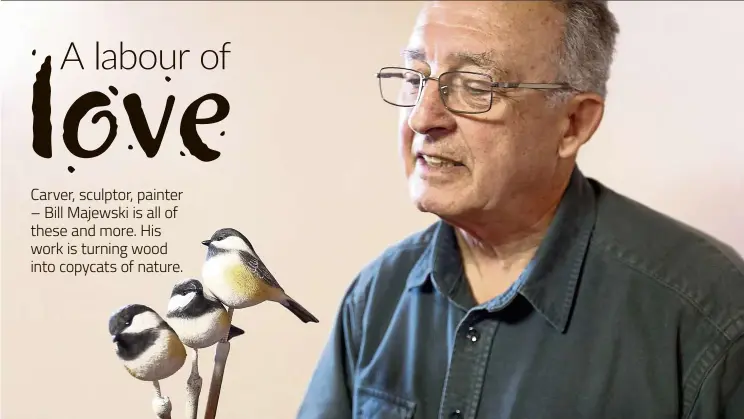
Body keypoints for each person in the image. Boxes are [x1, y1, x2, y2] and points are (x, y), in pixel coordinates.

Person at [297, 1, 744, 418]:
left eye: (474, 86)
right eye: (416, 79)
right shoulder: (378, 293)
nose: (421, 118)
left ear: (573, 123)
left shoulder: (706, 310)